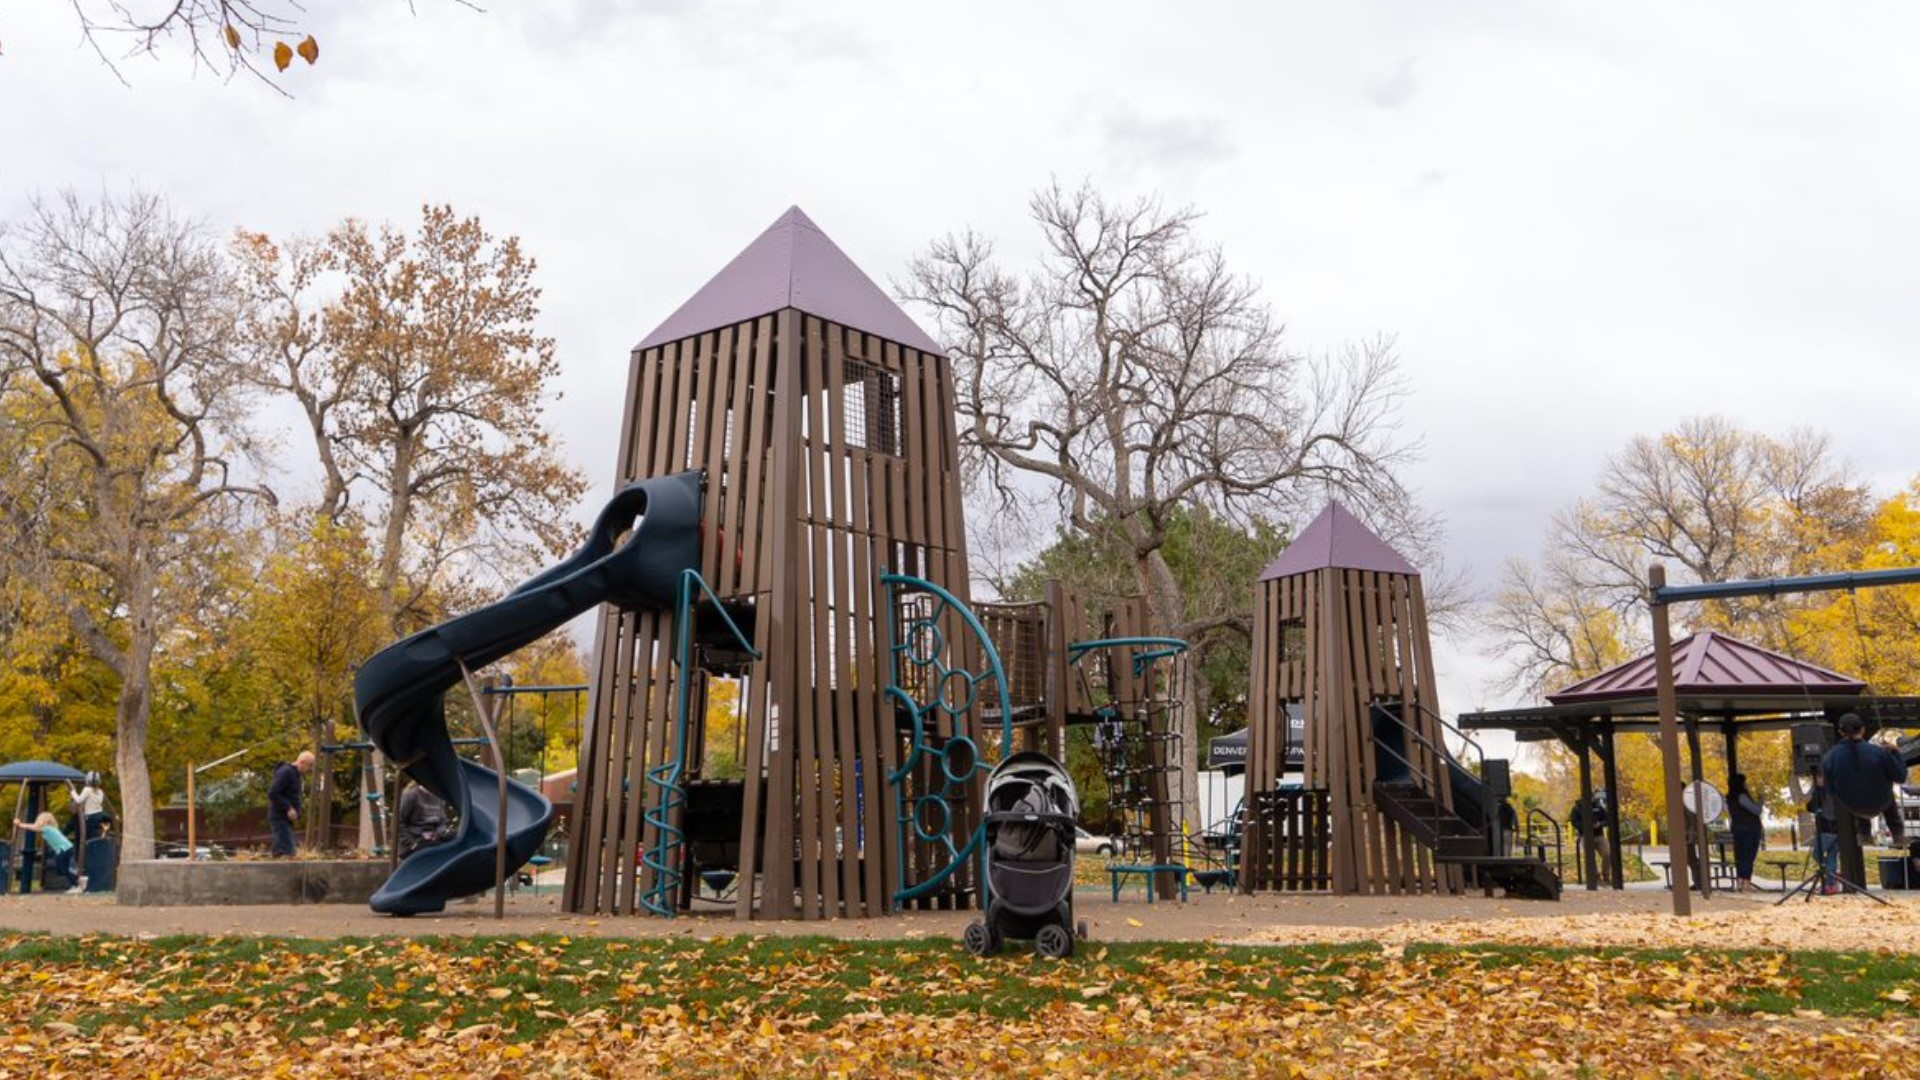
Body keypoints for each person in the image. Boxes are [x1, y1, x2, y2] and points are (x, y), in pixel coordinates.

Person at [1820, 713, 1910, 843]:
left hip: (1851, 805)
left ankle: (1863, 833)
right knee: (1884, 792)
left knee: (1856, 789)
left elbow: (1830, 790)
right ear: (1863, 729)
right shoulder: (1879, 753)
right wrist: (1896, 753)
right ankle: (1897, 834)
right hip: (1882, 801)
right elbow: (1900, 777)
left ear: (1840, 732)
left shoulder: (1829, 758)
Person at [12, 812, 78, 892]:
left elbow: (34, 827)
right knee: (60, 869)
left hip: (64, 849)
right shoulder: (50, 828)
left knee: (64, 869)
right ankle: (76, 878)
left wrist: (20, 824)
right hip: (63, 849)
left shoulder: (47, 828)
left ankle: (76, 884)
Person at [268, 751, 315, 857]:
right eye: (309, 765)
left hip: (286, 818)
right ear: (302, 762)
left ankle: (278, 861)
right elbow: (273, 793)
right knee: (287, 850)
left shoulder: (296, 775)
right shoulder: (286, 772)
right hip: (280, 816)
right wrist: (288, 808)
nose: (309, 769)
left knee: (282, 848)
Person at [1727, 773, 1765, 892]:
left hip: (1737, 828)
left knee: (1740, 855)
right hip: (1750, 828)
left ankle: (1740, 882)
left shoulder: (1729, 797)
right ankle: (1746, 883)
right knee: (1748, 856)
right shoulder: (1742, 796)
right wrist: (1761, 800)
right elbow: (1756, 810)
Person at [396, 781, 453, 859]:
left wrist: (443, 833)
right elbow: (398, 822)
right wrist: (411, 843)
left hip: (433, 839)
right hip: (416, 841)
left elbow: (441, 822)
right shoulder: (411, 796)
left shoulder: (438, 796)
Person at [1807, 777, 1840, 894]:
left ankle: (1831, 875)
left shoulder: (1822, 791)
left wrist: (1816, 790)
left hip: (1826, 828)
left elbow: (1810, 807)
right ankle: (1831, 883)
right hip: (1838, 829)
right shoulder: (1836, 788)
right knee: (1832, 857)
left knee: (1817, 854)